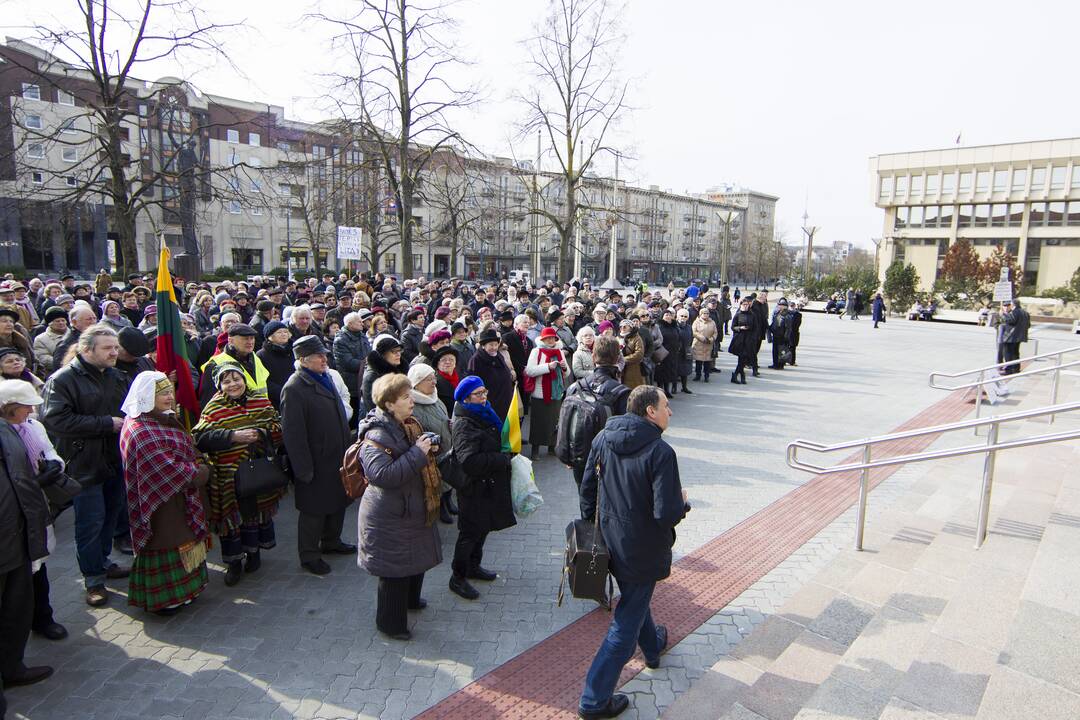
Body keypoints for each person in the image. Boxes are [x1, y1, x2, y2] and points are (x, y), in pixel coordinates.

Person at [577, 385, 686, 719]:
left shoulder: (603, 439)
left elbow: (587, 490)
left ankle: (652, 647)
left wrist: (594, 529)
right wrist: (682, 503)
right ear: (650, 411)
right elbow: (665, 512)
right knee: (625, 622)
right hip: (642, 547)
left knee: (636, 600)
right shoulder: (660, 452)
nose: (671, 411)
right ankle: (594, 700)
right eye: (666, 406)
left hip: (610, 540)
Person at [40, 324, 132, 607]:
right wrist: (106, 424)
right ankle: (93, 579)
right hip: (83, 464)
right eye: (107, 348)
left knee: (111, 516)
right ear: (86, 349)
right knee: (90, 522)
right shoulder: (63, 379)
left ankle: (103, 562)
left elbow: (129, 410)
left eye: (115, 347)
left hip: (114, 459)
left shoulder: (117, 376)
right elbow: (56, 421)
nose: (114, 353)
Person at [356, 374, 443, 640]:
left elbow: (411, 455)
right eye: (406, 397)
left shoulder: (406, 424)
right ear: (390, 404)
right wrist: (418, 452)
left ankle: (411, 601)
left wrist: (429, 447)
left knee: (414, 560)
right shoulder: (376, 434)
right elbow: (383, 476)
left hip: (410, 507)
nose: (412, 401)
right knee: (394, 571)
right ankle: (390, 625)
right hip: (389, 515)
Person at [118, 372, 210, 615]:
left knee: (183, 541)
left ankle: (187, 590)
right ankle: (166, 598)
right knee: (167, 543)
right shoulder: (142, 429)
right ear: (148, 397)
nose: (170, 397)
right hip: (162, 502)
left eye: (170, 391)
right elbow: (169, 469)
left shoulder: (156, 419)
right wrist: (199, 471)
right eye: (163, 393)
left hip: (176, 498)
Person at [0, 380, 78, 646]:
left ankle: (43, 617)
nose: (31, 413)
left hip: (36, 507)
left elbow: (49, 451)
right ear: (9, 408)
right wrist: (34, 482)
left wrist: (54, 467)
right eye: (25, 407)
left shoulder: (34, 427)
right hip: (14, 514)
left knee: (39, 566)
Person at [193, 362, 286, 586]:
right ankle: (234, 563)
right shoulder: (213, 408)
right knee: (232, 520)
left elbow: (278, 428)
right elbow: (200, 439)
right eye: (227, 381)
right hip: (228, 477)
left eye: (237, 379)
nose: (233, 384)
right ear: (219, 385)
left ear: (244, 380)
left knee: (256, 514)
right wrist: (232, 437)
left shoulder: (260, 401)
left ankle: (254, 554)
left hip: (258, 474)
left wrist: (261, 434)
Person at [0, 395, 56, 712]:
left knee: (16, 611)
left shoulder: (7, 431)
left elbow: (21, 480)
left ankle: (12, 668)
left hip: (16, 538)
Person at [280, 336, 354, 575]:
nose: (325, 359)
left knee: (337, 502)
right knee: (314, 510)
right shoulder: (294, 388)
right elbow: (293, 434)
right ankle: (309, 554)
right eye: (319, 356)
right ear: (303, 360)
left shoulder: (325, 377)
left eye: (325, 355)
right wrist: (303, 470)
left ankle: (331, 541)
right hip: (315, 461)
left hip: (336, 456)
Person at [448, 376, 515, 601]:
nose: (484, 397)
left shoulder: (483, 410)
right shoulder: (464, 423)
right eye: (478, 394)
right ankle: (457, 577)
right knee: (469, 532)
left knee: (483, 528)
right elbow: (468, 461)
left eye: (484, 391)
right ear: (466, 398)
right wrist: (501, 459)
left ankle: (473, 566)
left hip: (487, 484)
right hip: (473, 487)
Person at [562, 336, 630, 489]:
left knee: (585, 500)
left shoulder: (575, 387)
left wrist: (569, 454)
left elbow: (567, 422)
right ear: (617, 358)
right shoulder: (622, 392)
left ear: (593, 356)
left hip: (580, 456)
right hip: (609, 460)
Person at [409, 363, 457, 524]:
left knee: (448, 476)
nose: (434, 382)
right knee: (437, 481)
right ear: (417, 383)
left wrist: (449, 424)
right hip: (432, 452)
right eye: (428, 379)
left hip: (447, 445)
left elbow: (443, 417)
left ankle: (449, 501)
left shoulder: (435, 398)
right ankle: (441, 506)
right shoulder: (413, 406)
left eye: (433, 378)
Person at [524, 326, 569, 459]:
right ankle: (535, 449)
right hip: (540, 392)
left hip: (556, 392)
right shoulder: (536, 351)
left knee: (555, 421)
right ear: (542, 339)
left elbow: (567, 374)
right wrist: (547, 367)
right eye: (547, 338)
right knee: (539, 422)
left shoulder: (559, 351)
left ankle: (551, 447)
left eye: (552, 338)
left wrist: (564, 368)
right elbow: (530, 371)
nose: (550, 340)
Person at [198, 323, 268, 407]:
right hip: (232, 417)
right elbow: (208, 400)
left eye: (252, 338)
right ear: (230, 340)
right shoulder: (215, 364)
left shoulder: (255, 357)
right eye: (245, 339)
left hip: (262, 413)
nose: (250, 342)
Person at [466, 328, 515, 421]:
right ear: (483, 345)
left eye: (496, 344)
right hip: (491, 402)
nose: (494, 347)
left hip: (504, 400)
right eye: (491, 345)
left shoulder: (498, 355)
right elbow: (473, 383)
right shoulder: (476, 360)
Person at [255, 321, 294, 410]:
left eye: (285, 332)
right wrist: (283, 392)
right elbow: (264, 380)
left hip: (297, 395)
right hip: (276, 400)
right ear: (270, 336)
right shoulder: (261, 355)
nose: (283, 334)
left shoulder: (293, 351)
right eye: (279, 332)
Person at [361, 334, 405, 414]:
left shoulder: (399, 369)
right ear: (383, 355)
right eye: (394, 351)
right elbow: (373, 408)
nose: (398, 354)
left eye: (399, 351)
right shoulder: (372, 377)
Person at [728, 297, 756, 384]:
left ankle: (736, 375)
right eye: (744, 304)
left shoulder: (752, 315)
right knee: (741, 358)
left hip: (748, 339)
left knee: (743, 358)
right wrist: (740, 328)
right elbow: (733, 327)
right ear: (740, 305)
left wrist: (753, 337)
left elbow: (756, 327)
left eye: (747, 305)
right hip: (739, 339)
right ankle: (741, 376)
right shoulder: (738, 314)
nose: (745, 306)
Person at [999, 299, 1030, 375]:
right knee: (1015, 353)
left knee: (1008, 353)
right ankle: (1016, 368)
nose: (1009, 306)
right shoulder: (1025, 313)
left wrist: (1002, 315)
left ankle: (1009, 369)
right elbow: (1028, 325)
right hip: (1019, 336)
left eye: (1010, 304)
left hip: (1011, 337)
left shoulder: (1015, 312)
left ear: (1013, 305)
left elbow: (1010, 321)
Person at [691, 308, 717, 382]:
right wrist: (701, 338)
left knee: (707, 362)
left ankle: (706, 376)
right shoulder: (696, 322)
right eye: (704, 313)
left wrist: (711, 339)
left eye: (707, 313)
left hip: (708, 344)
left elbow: (715, 333)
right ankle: (698, 375)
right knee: (699, 362)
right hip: (699, 344)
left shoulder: (712, 322)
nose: (706, 315)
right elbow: (694, 332)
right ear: (700, 314)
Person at [767, 299, 793, 370]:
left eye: (782, 305)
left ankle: (780, 365)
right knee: (775, 350)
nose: (780, 306)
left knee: (781, 351)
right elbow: (774, 323)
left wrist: (786, 337)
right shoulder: (777, 313)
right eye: (779, 305)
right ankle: (775, 364)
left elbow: (788, 328)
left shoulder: (787, 315)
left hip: (782, 336)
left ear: (786, 306)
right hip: (776, 335)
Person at [619, 320, 645, 389]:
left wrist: (623, 360)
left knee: (632, 390)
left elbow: (639, 354)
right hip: (619, 370)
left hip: (632, 370)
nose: (622, 328)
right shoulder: (617, 338)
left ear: (630, 328)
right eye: (621, 327)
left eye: (625, 327)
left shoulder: (636, 338)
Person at [674, 309, 693, 394]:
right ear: (677, 316)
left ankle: (684, 387)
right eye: (681, 316)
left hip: (686, 350)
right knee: (675, 370)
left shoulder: (689, 327)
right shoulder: (674, 326)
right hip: (677, 351)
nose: (683, 318)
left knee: (685, 370)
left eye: (685, 316)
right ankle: (674, 388)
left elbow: (691, 337)